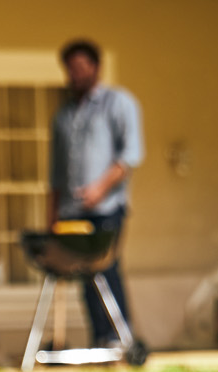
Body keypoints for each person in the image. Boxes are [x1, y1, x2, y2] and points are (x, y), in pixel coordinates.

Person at [49, 39, 144, 348]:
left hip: (107, 208)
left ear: (96, 67)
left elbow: (130, 155)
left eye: (80, 67)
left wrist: (98, 189)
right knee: (84, 275)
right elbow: (55, 174)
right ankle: (99, 339)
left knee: (107, 269)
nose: (74, 74)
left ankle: (120, 339)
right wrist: (52, 215)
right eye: (70, 69)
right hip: (71, 212)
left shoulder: (118, 103)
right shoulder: (63, 116)